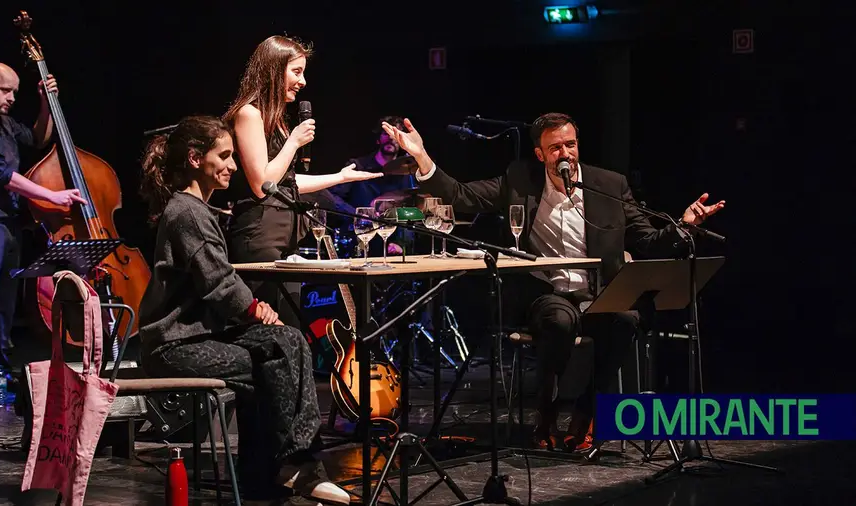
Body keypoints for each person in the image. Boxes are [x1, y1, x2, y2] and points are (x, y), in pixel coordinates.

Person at [382, 112, 725, 451]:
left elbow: (648, 240)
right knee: (559, 321)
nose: (565, 154)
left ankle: (585, 414)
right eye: (556, 147)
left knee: (625, 319)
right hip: (547, 292)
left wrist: (684, 224)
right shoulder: (519, 180)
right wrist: (421, 156)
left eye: (570, 144)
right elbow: (461, 195)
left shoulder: (608, 185)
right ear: (540, 154)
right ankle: (545, 415)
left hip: (597, 292)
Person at [137, 115, 349, 504]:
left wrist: (260, 314)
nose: (234, 166)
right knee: (274, 358)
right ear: (196, 159)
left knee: (285, 341)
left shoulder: (199, 210)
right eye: (225, 155)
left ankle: (268, 473)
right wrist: (255, 309)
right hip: (173, 345)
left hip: (199, 335)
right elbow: (218, 282)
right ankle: (293, 465)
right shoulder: (187, 212)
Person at [222, 35, 381, 326]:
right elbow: (262, 184)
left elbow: (286, 184)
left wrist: (340, 177)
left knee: (292, 327)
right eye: (296, 72)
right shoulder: (249, 113)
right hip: (259, 238)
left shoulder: (275, 119)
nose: (303, 81)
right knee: (269, 331)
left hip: (285, 239)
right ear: (272, 70)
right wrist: (294, 142)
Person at [0, 63, 86, 399]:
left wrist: (46, 101)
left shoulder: (4, 125)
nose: (12, 97)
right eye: (5, 90)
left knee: (4, 302)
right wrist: (52, 196)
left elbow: (38, 137)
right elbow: (4, 177)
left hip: (8, 223)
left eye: (15, 91)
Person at [325, 115, 418, 256]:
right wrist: (358, 215)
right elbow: (333, 196)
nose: (391, 138)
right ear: (378, 139)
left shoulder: (408, 173)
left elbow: (411, 213)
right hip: (360, 237)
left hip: (392, 242)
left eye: (396, 134)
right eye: (386, 134)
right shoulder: (358, 165)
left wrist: (401, 242)